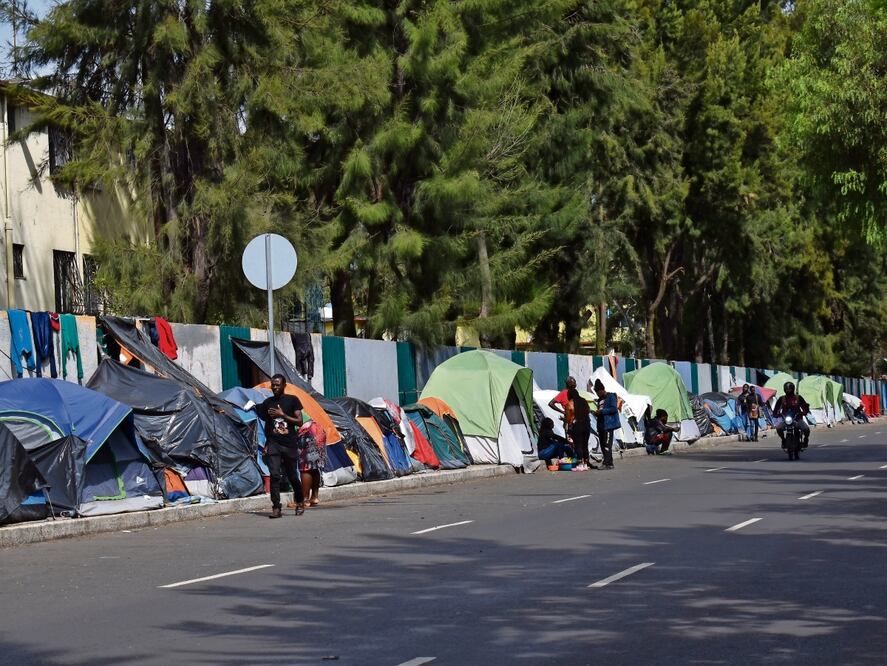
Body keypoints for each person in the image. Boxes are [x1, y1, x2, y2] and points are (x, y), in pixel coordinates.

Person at [256, 374, 305, 518]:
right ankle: (276, 507)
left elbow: (299, 421)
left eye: (278, 385)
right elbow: (268, 425)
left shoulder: (292, 400)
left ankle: (300, 502)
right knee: (275, 476)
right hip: (274, 444)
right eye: (273, 385)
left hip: (289, 444)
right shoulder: (267, 403)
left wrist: (282, 415)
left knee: (292, 476)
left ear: (284, 386)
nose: (275, 387)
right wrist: (266, 443)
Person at [773, 381, 811, 449]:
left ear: (793, 389)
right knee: (778, 428)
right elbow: (776, 408)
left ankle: (806, 439)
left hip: (797, 419)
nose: (788, 391)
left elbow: (805, 406)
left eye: (789, 389)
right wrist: (776, 414)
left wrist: (805, 412)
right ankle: (783, 440)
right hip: (786, 420)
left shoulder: (798, 397)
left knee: (806, 428)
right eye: (786, 389)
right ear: (784, 390)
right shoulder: (782, 398)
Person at [298, 420, 327, 507]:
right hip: (318, 429)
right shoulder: (312, 408)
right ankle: (314, 497)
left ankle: (305, 499)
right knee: (315, 466)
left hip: (306, 430)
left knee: (305, 468)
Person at [593, 378, 620, 469]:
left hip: (608, 425)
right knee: (602, 444)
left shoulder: (611, 396)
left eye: (598, 392)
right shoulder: (599, 400)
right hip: (601, 424)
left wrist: (602, 412)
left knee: (607, 445)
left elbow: (614, 409)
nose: (597, 394)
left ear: (602, 390)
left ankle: (606, 463)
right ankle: (610, 463)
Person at [567, 387, 592, 471]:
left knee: (578, 445)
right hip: (587, 425)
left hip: (577, 426)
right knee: (585, 445)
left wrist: (566, 421)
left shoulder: (571, 403)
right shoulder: (584, 401)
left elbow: (569, 417)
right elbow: (588, 411)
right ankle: (585, 464)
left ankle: (580, 464)